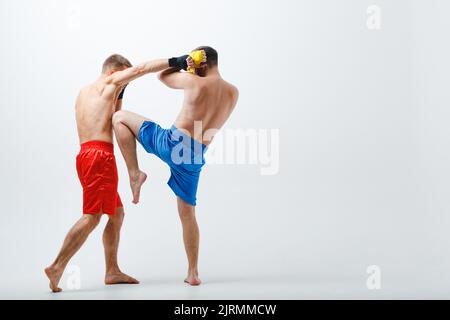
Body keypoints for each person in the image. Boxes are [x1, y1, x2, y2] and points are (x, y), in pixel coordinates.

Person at [45, 54, 174, 292]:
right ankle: (56, 266)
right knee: (92, 216)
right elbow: (142, 69)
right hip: (101, 159)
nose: (123, 84)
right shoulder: (110, 82)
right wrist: (177, 60)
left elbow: (113, 118)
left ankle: (112, 270)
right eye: (123, 80)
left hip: (86, 156)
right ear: (114, 72)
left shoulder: (84, 92)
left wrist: (121, 93)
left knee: (116, 213)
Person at [112, 46, 239, 286]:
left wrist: (183, 65)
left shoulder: (195, 83)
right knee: (187, 213)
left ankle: (134, 173)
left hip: (173, 144)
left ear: (201, 63)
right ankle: (193, 273)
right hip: (194, 156)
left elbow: (162, 76)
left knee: (119, 118)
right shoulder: (233, 92)